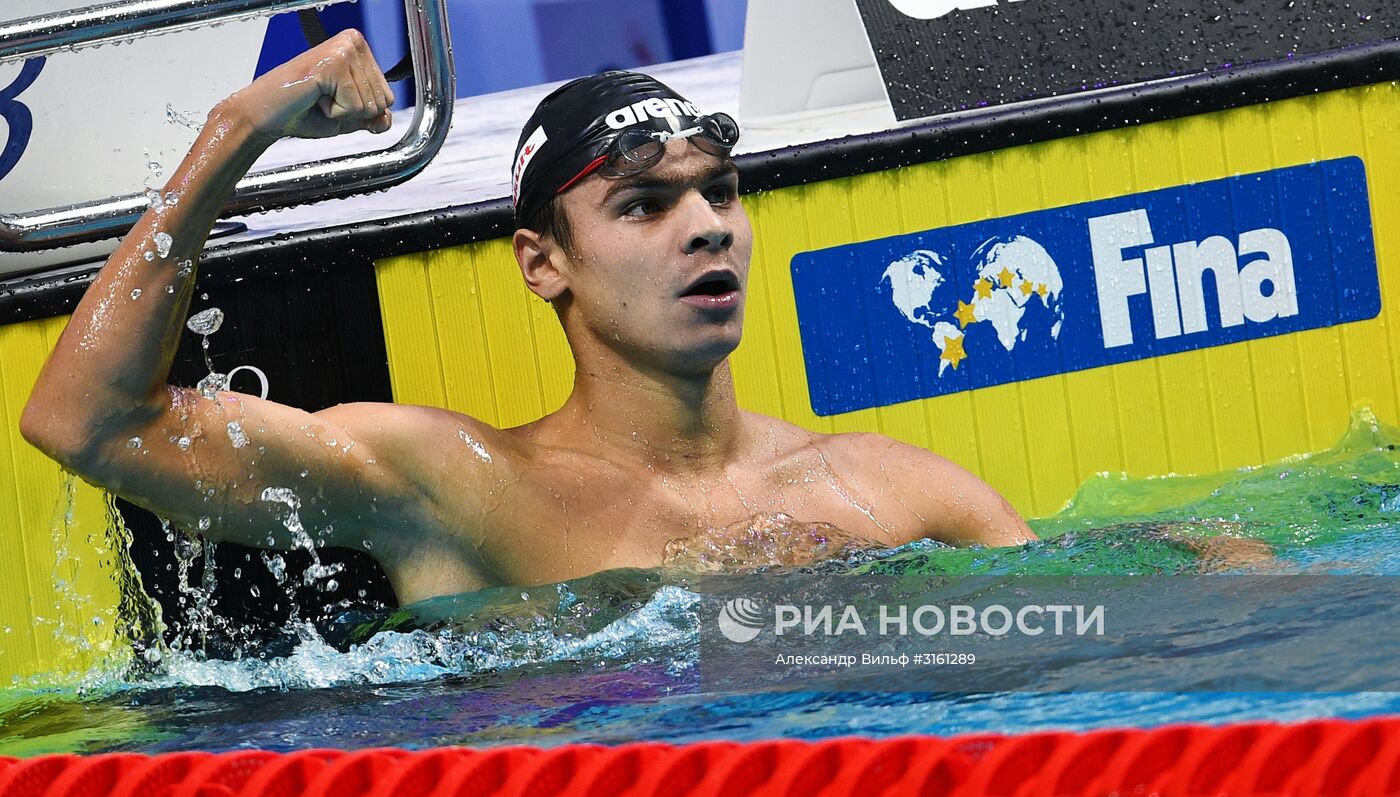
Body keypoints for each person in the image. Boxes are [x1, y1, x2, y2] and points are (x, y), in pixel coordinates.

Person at [20, 32, 1036, 609]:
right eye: (643, 205)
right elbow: (85, 422)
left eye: (719, 194)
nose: (704, 229)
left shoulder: (901, 493)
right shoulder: (452, 487)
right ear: (541, 262)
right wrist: (233, 133)